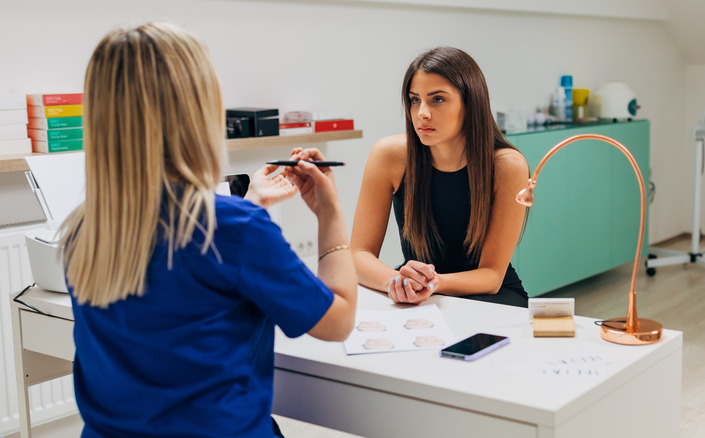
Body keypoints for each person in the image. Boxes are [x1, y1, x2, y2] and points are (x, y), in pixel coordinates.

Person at [60, 22, 357, 438]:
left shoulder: (84, 232)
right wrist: (330, 211)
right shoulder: (233, 230)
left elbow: (177, 276)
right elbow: (339, 320)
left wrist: (248, 205)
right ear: (198, 113)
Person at [351, 46, 530, 307]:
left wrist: (433, 284)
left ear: (470, 104)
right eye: (415, 100)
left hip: (489, 296)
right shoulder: (389, 155)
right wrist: (398, 282)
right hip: (419, 292)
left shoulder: (508, 166)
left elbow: (492, 276)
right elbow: (358, 255)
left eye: (437, 99)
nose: (422, 112)